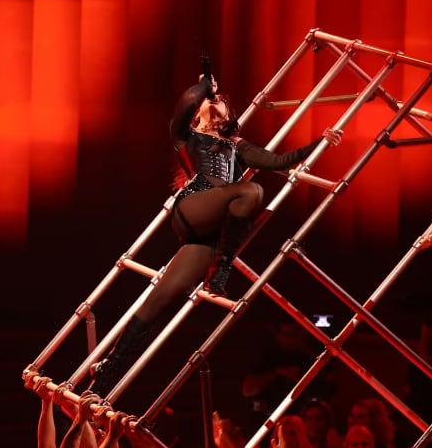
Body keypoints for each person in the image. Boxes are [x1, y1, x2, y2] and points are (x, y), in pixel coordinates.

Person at [87, 71, 343, 396]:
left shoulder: (238, 146)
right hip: (193, 208)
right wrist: (206, 86)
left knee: (158, 303)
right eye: (209, 102)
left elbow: (280, 160)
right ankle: (221, 269)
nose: (215, 102)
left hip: (207, 237)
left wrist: (321, 141)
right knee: (251, 193)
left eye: (220, 101)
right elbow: (183, 109)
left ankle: (108, 372)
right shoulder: (190, 138)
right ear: (198, 117)